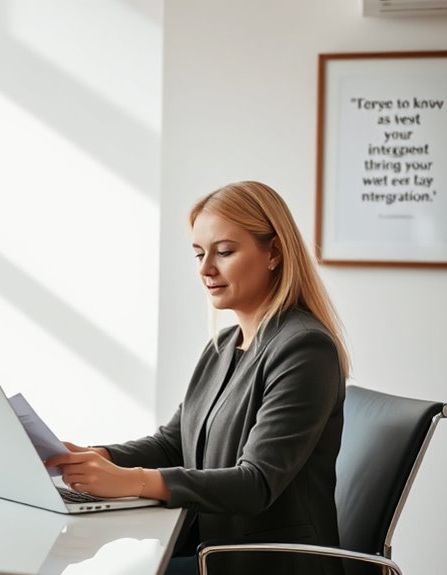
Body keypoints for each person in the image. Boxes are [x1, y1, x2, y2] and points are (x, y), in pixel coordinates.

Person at [45, 181, 349, 575]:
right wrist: (96, 458)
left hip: (267, 563)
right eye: (199, 254)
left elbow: (254, 483)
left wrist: (132, 481)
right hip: (214, 548)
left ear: (273, 252)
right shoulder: (225, 344)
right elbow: (174, 444)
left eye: (224, 252)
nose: (206, 269)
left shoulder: (305, 348)